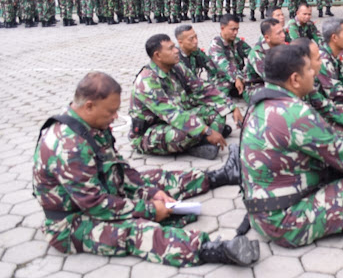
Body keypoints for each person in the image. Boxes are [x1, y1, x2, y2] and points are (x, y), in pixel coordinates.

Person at [34, 72, 259, 267]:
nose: (115, 117)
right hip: (73, 222)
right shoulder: (67, 146)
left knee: (157, 179)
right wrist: (151, 210)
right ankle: (211, 249)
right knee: (136, 231)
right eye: (110, 112)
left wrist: (151, 193)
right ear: (89, 105)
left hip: (105, 193)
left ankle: (221, 176)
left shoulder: (91, 123)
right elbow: (96, 205)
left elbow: (120, 167)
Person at [240, 44, 343, 248]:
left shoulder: (259, 103)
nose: (313, 74)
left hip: (259, 212)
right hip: (286, 224)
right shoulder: (295, 113)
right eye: (309, 70)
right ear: (295, 79)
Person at [130, 34, 242, 160]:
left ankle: (204, 143)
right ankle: (204, 140)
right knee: (188, 131)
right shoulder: (147, 80)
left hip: (178, 117)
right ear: (158, 55)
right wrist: (206, 130)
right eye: (171, 48)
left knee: (219, 111)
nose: (176, 50)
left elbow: (203, 88)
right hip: (151, 131)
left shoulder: (177, 67)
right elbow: (173, 114)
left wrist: (231, 107)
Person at [293, 37, 343, 153]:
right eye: (318, 59)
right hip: (295, 150)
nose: (321, 62)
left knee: (339, 121)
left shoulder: (307, 84)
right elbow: (309, 126)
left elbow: (326, 107)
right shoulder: (289, 95)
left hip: (312, 121)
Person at [207, 14, 252, 97]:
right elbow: (225, 66)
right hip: (221, 79)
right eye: (233, 29)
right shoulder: (216, 45)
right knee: (222, 96)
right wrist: (237, 78)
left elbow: (252, 55)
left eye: (237, 29)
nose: (236, 32)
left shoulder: (237, 42)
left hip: (237, 77)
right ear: (222, 28)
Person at [243, 18, 287, 101]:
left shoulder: (281, 46)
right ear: (267, 38)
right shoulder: (257, 53)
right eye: (279, 33)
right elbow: (270, 78)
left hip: (276, 81)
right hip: (256, 86)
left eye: (283, 31)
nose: (283, 35)